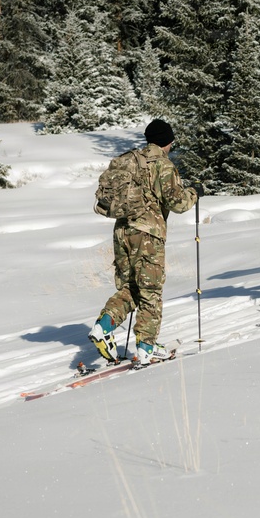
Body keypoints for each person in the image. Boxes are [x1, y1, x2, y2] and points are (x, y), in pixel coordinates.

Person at [88, 119, 199, 365]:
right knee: (151, 291)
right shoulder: (162, 164)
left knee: (131, 288)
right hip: (147, 236)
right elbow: (178, 203)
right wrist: (194, 192)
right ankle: (147, 347)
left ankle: (103, 326)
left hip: (122, 231)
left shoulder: (130, 161)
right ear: (168, 141)